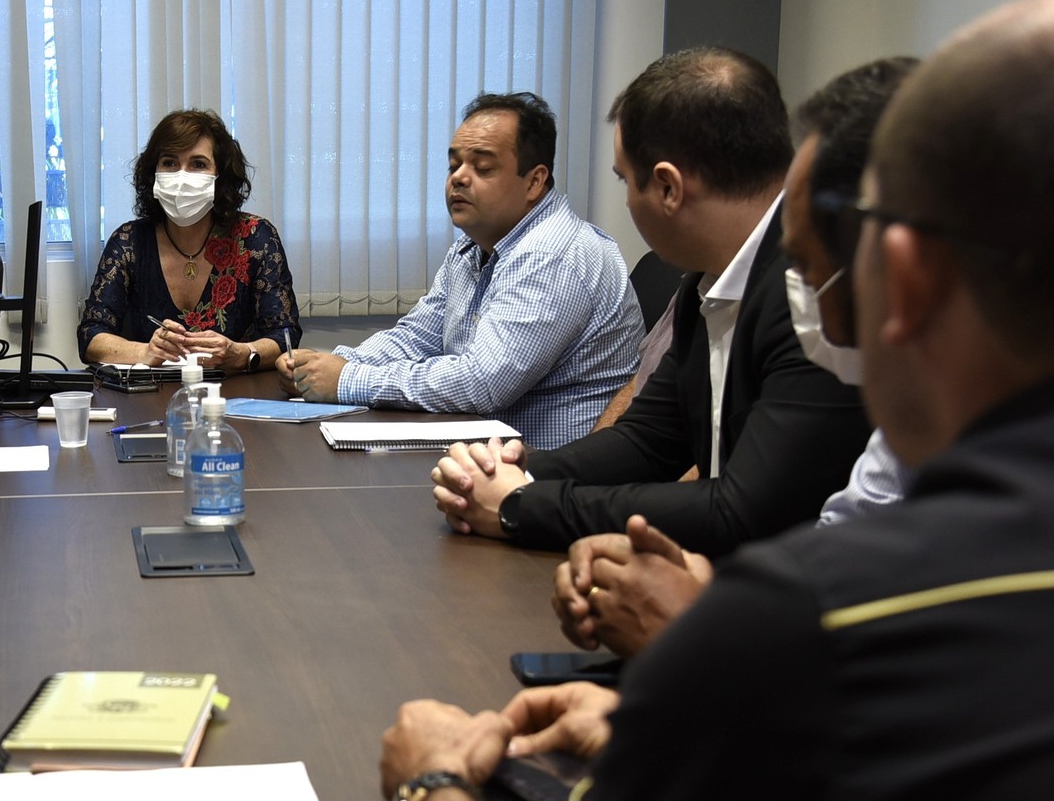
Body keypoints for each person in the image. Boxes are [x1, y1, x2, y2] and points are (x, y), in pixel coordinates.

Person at [379, 0, 1054, 801]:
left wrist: (433, 777)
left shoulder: (816, 627)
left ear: (902, 282)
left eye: (820, 280)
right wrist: (705, 733)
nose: (821, 321)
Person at [431, 48, 872, 556]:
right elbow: (647, 440)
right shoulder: (706, 284)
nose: (624, 198)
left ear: (667, 186)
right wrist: (507, 470)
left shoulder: (813, 293)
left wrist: (520, 506)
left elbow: (742, 512)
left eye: (623, 179)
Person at [554, 58, 917, 659]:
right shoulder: (908, 433)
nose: (809, 298)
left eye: (813, 267)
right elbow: (833, 563)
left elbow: (906, 676)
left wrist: (698, 635)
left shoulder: (1030, 485)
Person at [278, 93, 642, 449]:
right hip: (487, 453)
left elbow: (483, 382)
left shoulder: (553, 253)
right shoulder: (472, 247)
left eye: (482, 167)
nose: (459, 178)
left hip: (550, 474)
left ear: (534, 182)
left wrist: (346, 380)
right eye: (454, 165)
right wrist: (328, 365)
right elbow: (418, 336)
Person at [78, 109, 300, 371]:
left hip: (237, 396)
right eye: (170, 163)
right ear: (153, 174)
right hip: (147, 399)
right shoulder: (129, 242)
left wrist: (241, 353)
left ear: (221, 176)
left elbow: (284, 334)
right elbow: (90, 335)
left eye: (198, 164)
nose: (182, 177)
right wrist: (146, 351)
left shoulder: (256, 238)